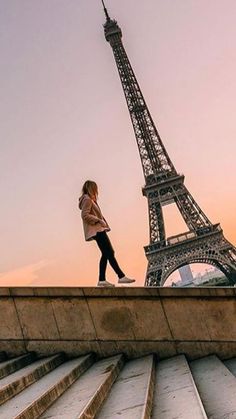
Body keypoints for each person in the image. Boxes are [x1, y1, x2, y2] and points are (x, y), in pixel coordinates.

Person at [79, 180, 135, 287]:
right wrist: (98, 221)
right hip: (97, 230)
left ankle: (102, 280)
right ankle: (121, 276)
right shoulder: (87, 199)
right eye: (95, 188)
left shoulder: (90, 199)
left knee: (106, 253)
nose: (97, 191)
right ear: (91, 188)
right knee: (110, 252)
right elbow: (84, 215)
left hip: (98, 229)